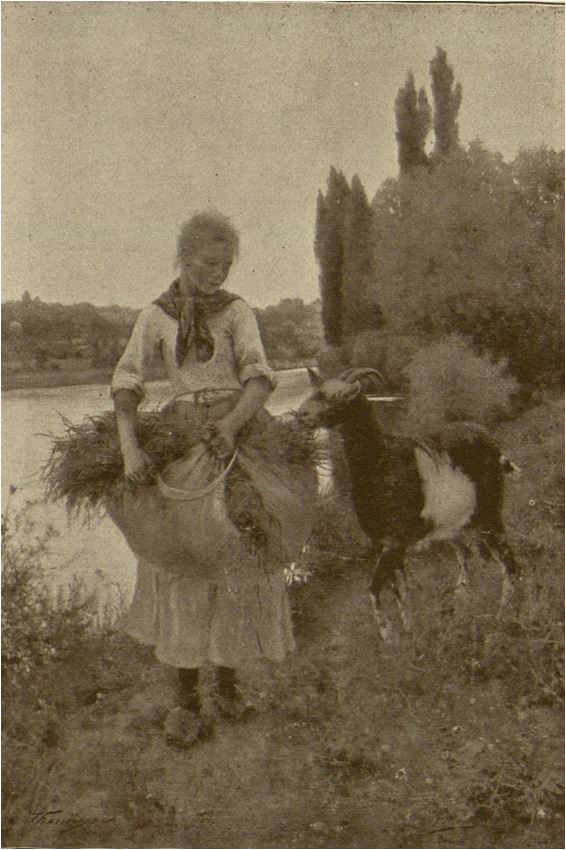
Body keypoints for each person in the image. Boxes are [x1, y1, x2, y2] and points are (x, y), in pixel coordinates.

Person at [111, 211, 298, 747]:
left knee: (242, 541)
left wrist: (232, 427)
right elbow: (126, 380)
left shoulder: (237, 312)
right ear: (184, 259)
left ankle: (230, 684)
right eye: (208, 263)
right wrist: (130, 449)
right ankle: (187, 698)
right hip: (182, 432)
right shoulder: (155, 316)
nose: (218, 273)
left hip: (236, 425)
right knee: (180, 555)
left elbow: (259, 376)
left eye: (226, 264)